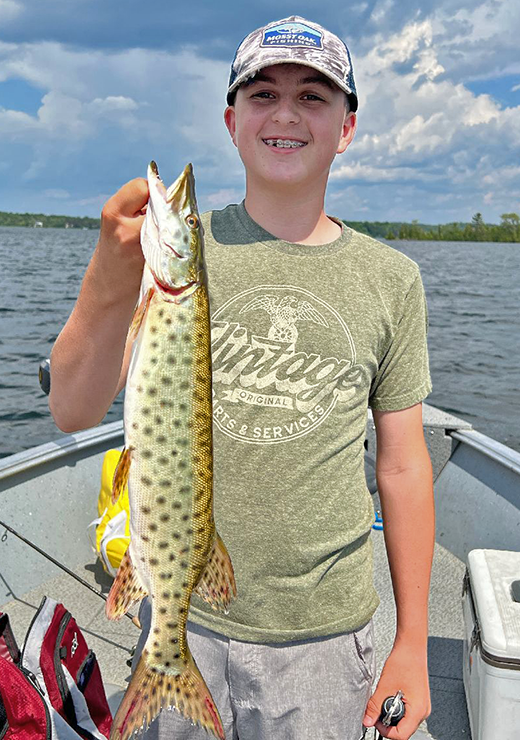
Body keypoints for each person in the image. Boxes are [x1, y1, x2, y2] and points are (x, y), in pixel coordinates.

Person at [49, 15, 434, 740]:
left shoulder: (393, 280)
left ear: (347, 128)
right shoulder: (177, 259)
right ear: (232, 121)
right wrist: (108, 271)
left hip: (325, 635)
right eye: (262, 94)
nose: (285, 113)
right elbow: (72, 409)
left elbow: (406, 465)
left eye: (313, 97)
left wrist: (412, 644)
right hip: (186, 615)